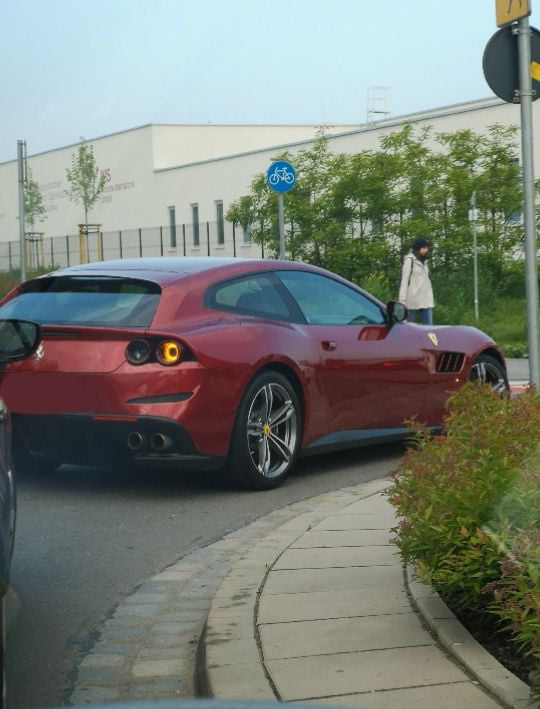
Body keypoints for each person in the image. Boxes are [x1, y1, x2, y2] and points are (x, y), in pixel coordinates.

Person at [398, 238, 434, 325]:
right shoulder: (409, 261)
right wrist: (402, 300)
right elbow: (404, 281)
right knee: (410, 326)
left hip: (426, 298)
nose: (426, 250)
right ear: (418, 248)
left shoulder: (425, 261)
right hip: (412, 298)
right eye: (424, 248)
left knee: (429, 327)